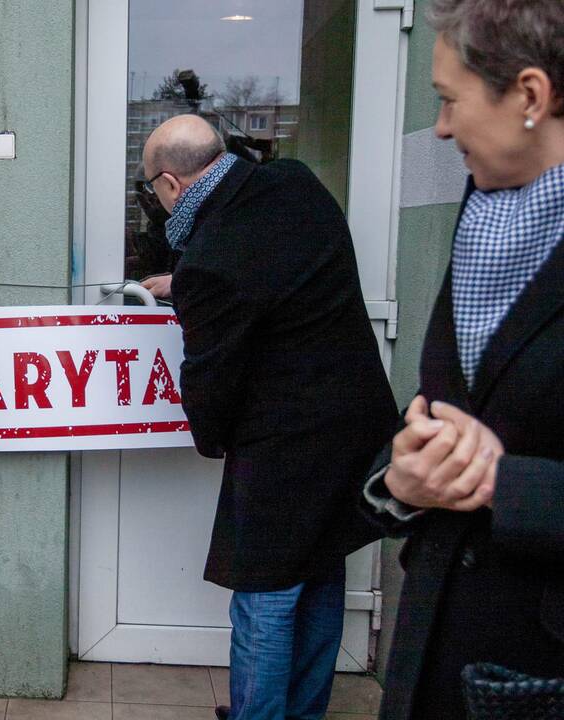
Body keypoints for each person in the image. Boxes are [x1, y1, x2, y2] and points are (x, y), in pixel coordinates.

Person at [142, 114, 397, 720]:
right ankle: (305, 711)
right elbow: (273, 273)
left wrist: (211, 437)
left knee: (265, 594)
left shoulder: (209, 261)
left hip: (286, 444)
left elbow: (212, 381)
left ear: (172, 184)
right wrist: (185, 284)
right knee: (322, 567)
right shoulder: (294, 184)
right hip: (357, 421)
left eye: (153, 190)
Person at [361, 1, 564, 718]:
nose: (441, 129)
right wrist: (402, 480)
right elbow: (447, 407)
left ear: (531, 96)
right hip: (434, 657)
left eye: (449, 102)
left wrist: (500, 484)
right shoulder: (489, 214)